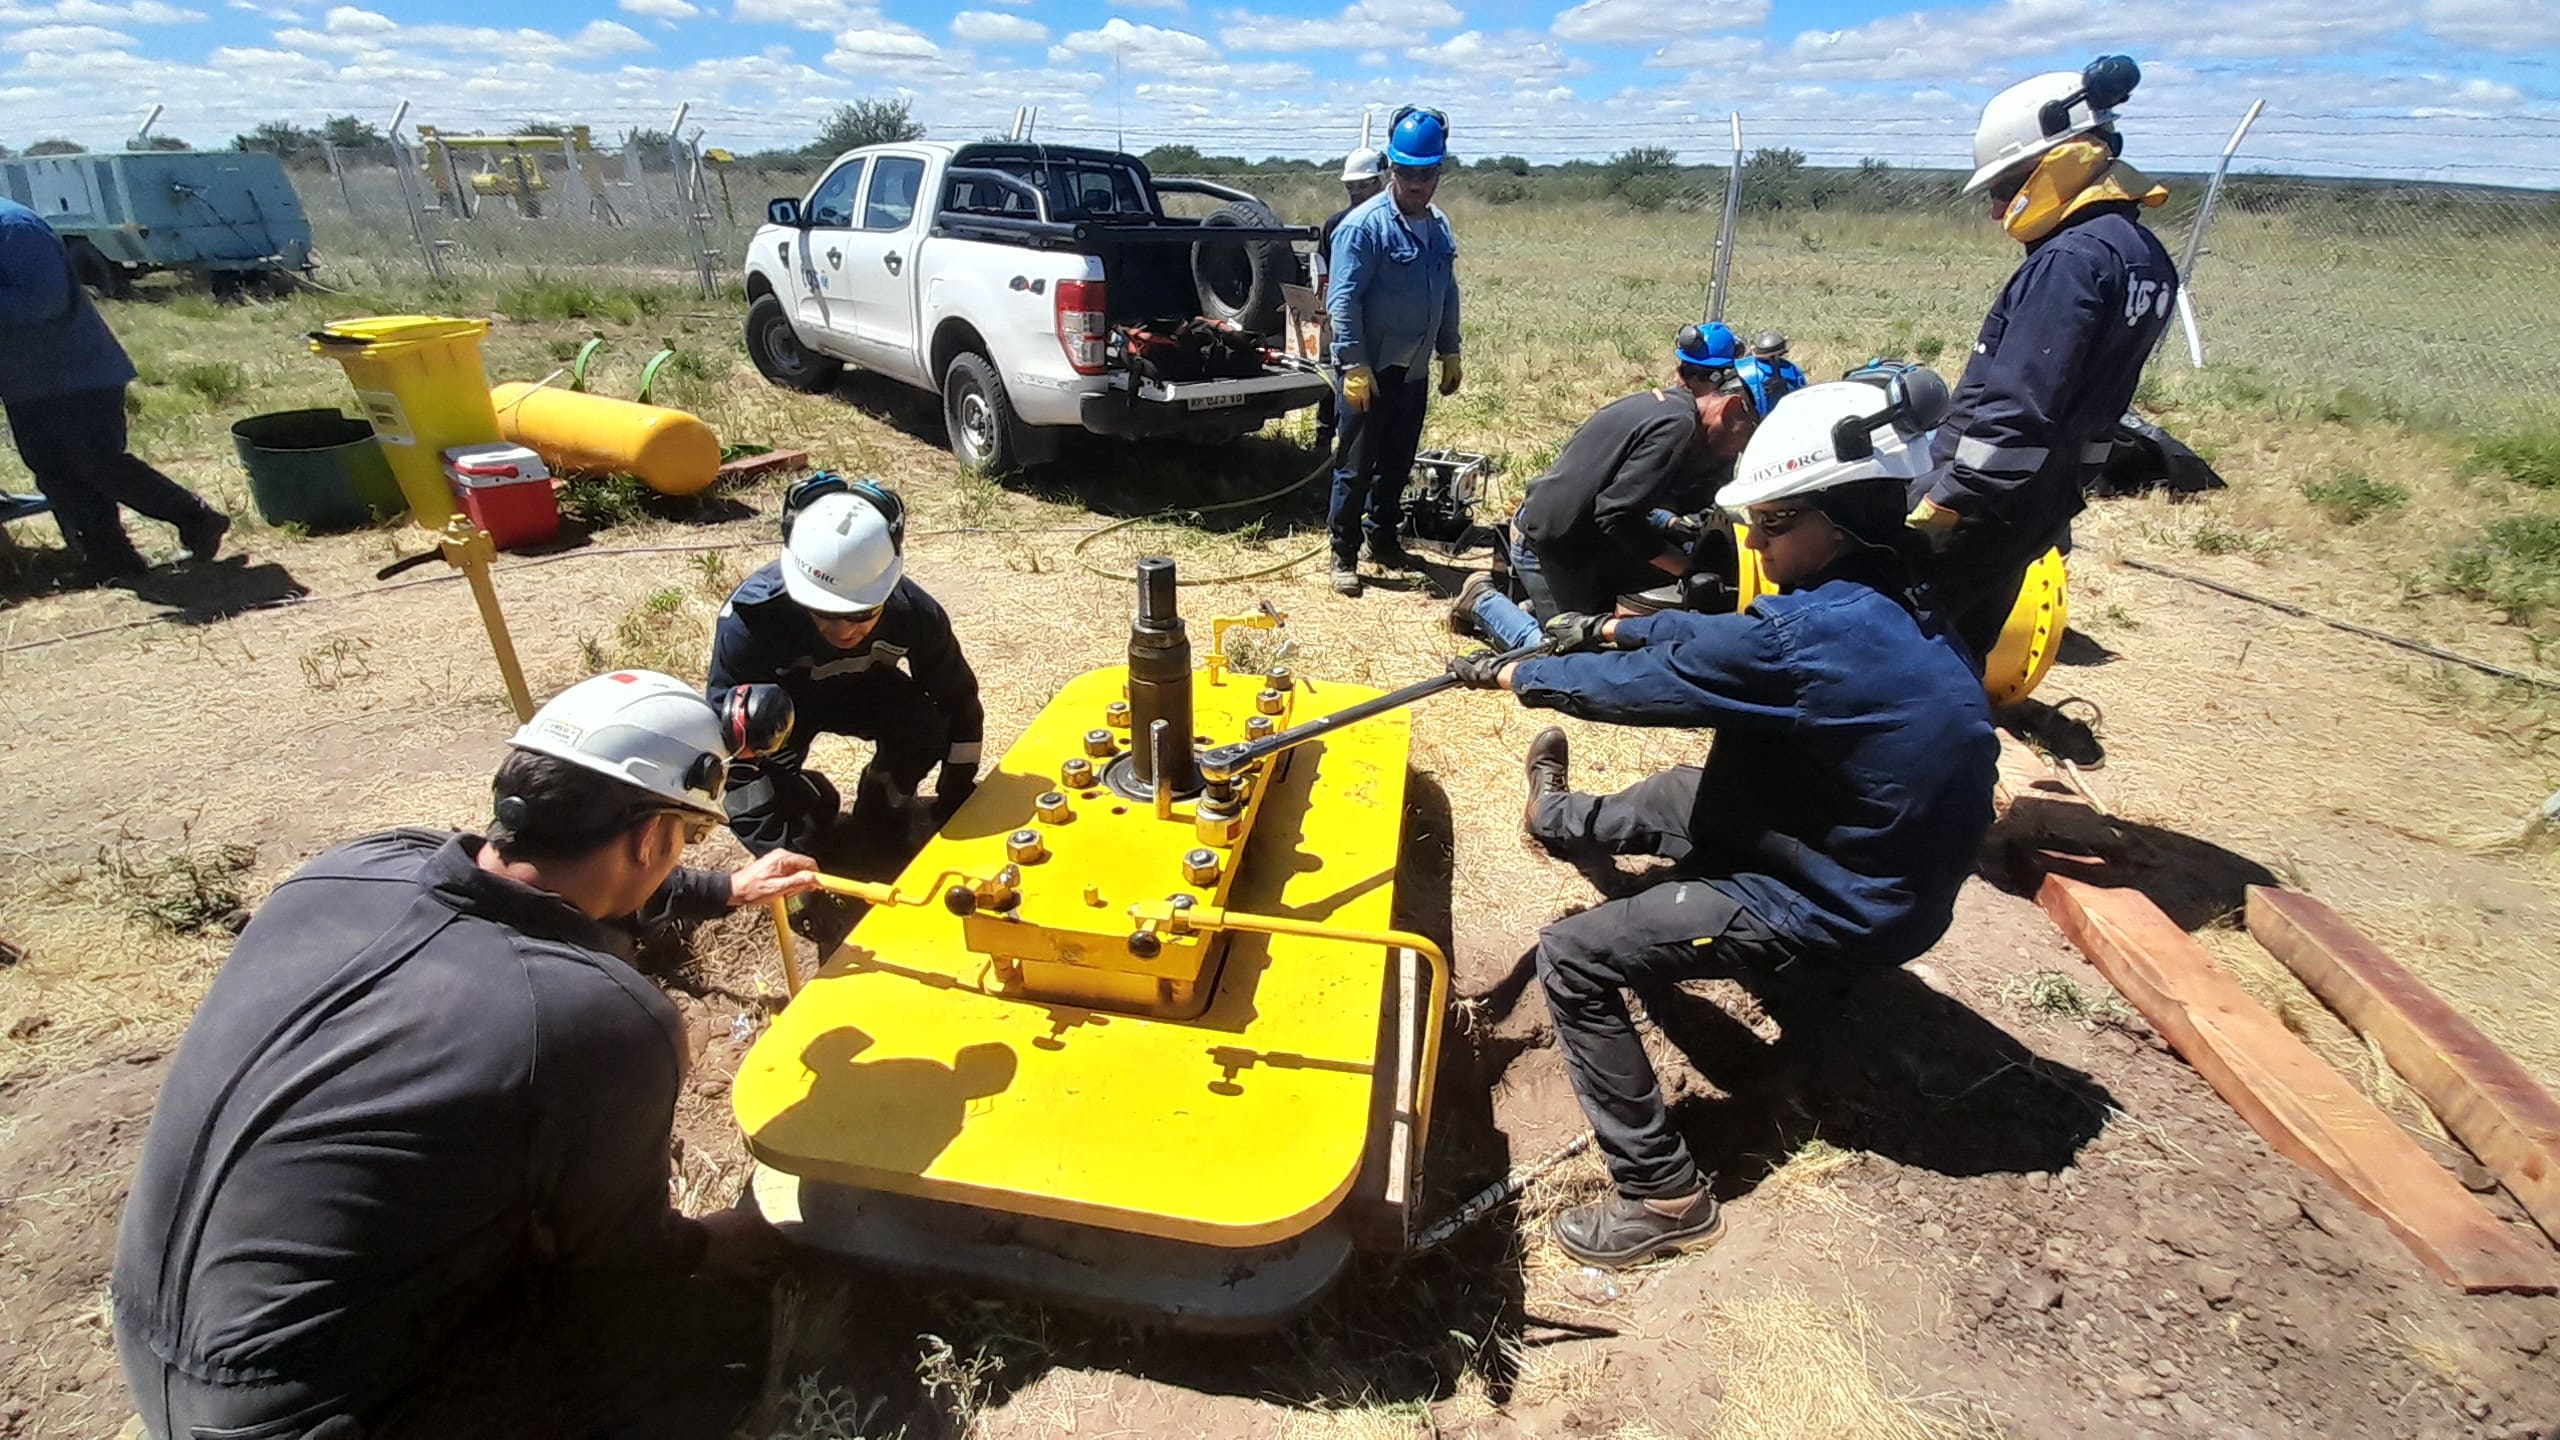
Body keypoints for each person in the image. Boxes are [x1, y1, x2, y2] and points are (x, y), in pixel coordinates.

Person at [112, 670, 824, 1440]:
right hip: (307, 1419)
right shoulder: (598, 1017)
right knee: (705, 1336)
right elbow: (626, 1267)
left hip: (154, 1341)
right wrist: (761, 1228)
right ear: (651, 837)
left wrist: (718, 888)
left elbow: (542, 885)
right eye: (682, 836)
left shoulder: (343, 871)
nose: (677, 851)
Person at [1444, 376, 1998, 1268]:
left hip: (1838, 903)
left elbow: (1656, 689)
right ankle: (1557, 819)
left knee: (1575, 957)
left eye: (1776, 525)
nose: (1756, 539)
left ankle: (1661, 1197)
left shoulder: (1813, 638)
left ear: (1842, 520)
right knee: (1674, 793)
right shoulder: (1896, 598)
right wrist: (1615, 631)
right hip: (1870, 857)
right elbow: (1724, 647)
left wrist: (1521, 675)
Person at [1909, 54, 2177, 662]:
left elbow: (2018, 409)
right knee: (1967, 640)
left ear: (2055, 165)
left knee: (1915, 639)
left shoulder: (2070, 261)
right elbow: (2104, 401)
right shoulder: (2143, 256)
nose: (1999, 211)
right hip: (2041, 500)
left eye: (2006, 188)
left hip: (1985, 504)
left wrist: (1947, 499)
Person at [708, 474, 984, 869]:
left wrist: (955, 796)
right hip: (783, 712)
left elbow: (959, 706)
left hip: (867, 693)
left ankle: (881, 808)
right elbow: (732, 752)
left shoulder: (915, 615)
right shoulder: (750, 622)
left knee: (925, 722)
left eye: (859, 614)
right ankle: (809, 807)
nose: (842, 631)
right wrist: (777, 856)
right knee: (758, 742)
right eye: (824, 613)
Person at [1452, 324, 1759, 649]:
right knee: (1566, 657)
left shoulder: (1675, 414)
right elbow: (1615, 513)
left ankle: (1535, 605)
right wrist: (1686, 568)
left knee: (1597, 622)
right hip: (1550, 542)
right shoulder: (1676, 425)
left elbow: (1619, 496)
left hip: (1582, 535)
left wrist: (1668, 524)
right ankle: (1482, 600)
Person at [0, 195, 229, 583]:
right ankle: (111, 559)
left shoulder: (14, 229)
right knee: (54, 472)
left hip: (76, 374)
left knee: (97, 463)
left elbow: (43, 301)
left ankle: (196, 517)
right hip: (24, 383)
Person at [1325, 104, 1461, 597]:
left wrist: (1450, 349)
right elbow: (1342, 301)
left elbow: (1447, 290)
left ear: (1439, 172)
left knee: (1398, 462)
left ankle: (1382, 540)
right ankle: (1344, 552)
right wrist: (1355, 365)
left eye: (1426, 174)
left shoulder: (1439, 226)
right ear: (1391, 168)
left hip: (1414, 369)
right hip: (1371, 370)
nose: (1416, 184)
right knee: (1356, 465)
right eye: (1406, 173)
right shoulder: (1364, 227)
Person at [1309, 146, 1388, 457]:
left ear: (1381, 182)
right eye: (1350, 186)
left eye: (1363, 185)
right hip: (1344, 317)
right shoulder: (1336, 224)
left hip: (1380, 321)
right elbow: (1321, 268)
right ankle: (1324, 438)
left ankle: (1371, 449)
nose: (1356, 192)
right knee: (1336, 379)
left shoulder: (1392, 225)